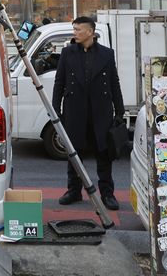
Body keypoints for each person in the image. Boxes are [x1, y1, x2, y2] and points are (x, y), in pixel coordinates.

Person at [52, 16, 125, 210]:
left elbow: (113, 83)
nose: (74, 33)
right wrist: (55, 110)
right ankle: (74, 191)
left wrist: (120, 110)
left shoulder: (107, 54)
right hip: (74, 111)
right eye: (73, 29)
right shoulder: (67, 53)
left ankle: (107, 194)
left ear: (90, 32)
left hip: (101, 111)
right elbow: (59, 82)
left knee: (104, 154)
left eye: (78, 30)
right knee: (74, 153)